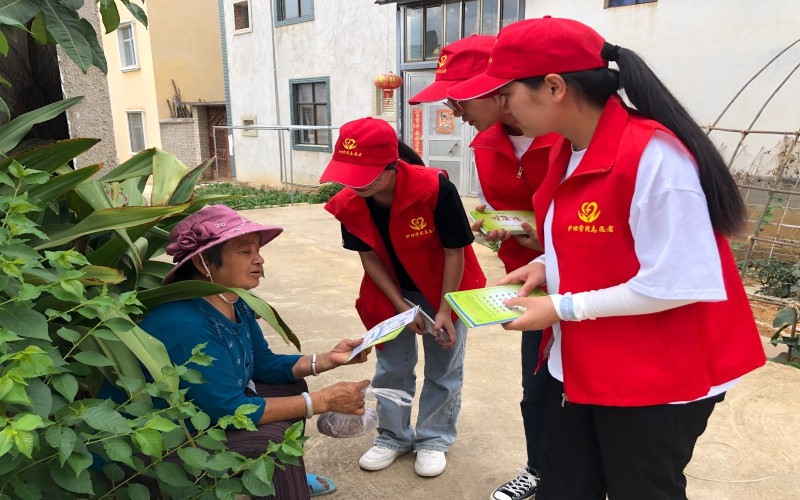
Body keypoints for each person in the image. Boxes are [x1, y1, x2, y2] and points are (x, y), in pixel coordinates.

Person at [448, 17, 767, 500]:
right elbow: (598, 240)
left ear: (554, 87)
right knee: (565, 485)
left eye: (507, 92)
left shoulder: (655, 157)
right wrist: (547, 266)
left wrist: (560, 307)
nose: (504, 107)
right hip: (583, 362)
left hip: (657, 378)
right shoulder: (567, 151)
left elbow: (675, 280)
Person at [408, 34, 557, 500]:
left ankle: (576, 474)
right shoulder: (485, 144)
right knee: (536, 387)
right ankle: (538, 468)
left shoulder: (565, 138)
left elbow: (580, 224)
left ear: (498, 88)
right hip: (528, 280)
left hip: (577, 277)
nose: (454, 109)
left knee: (580, 386)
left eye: (460, 96)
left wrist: (541, 238)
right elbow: (508, 210)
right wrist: (504, 227)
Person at [143, 205, 371, 499]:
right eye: (244, 251)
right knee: (269, 439)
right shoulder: (185, 322)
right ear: (203, 263)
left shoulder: (233, 301)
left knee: (289, 386)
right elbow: (230, 408)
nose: (259, 260)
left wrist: (327, 360)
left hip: (202, 415)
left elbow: (261, 363)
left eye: (258, 250)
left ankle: (284, 478)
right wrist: (324, 400)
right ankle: (283, 481)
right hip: (160, 447)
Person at [319, 117, 486, 477]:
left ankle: (434, 438)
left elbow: (454, 250)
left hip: (446, 285)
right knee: (392, 365)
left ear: (391, 166)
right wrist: (401, 308)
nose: (354, 183)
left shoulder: (434, 189)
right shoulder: (350, 204)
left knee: (444, 367)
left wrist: (445, 308)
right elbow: (369, 257)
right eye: (348, 173)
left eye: (366, 174)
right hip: (389, 290)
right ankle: (393, 436)